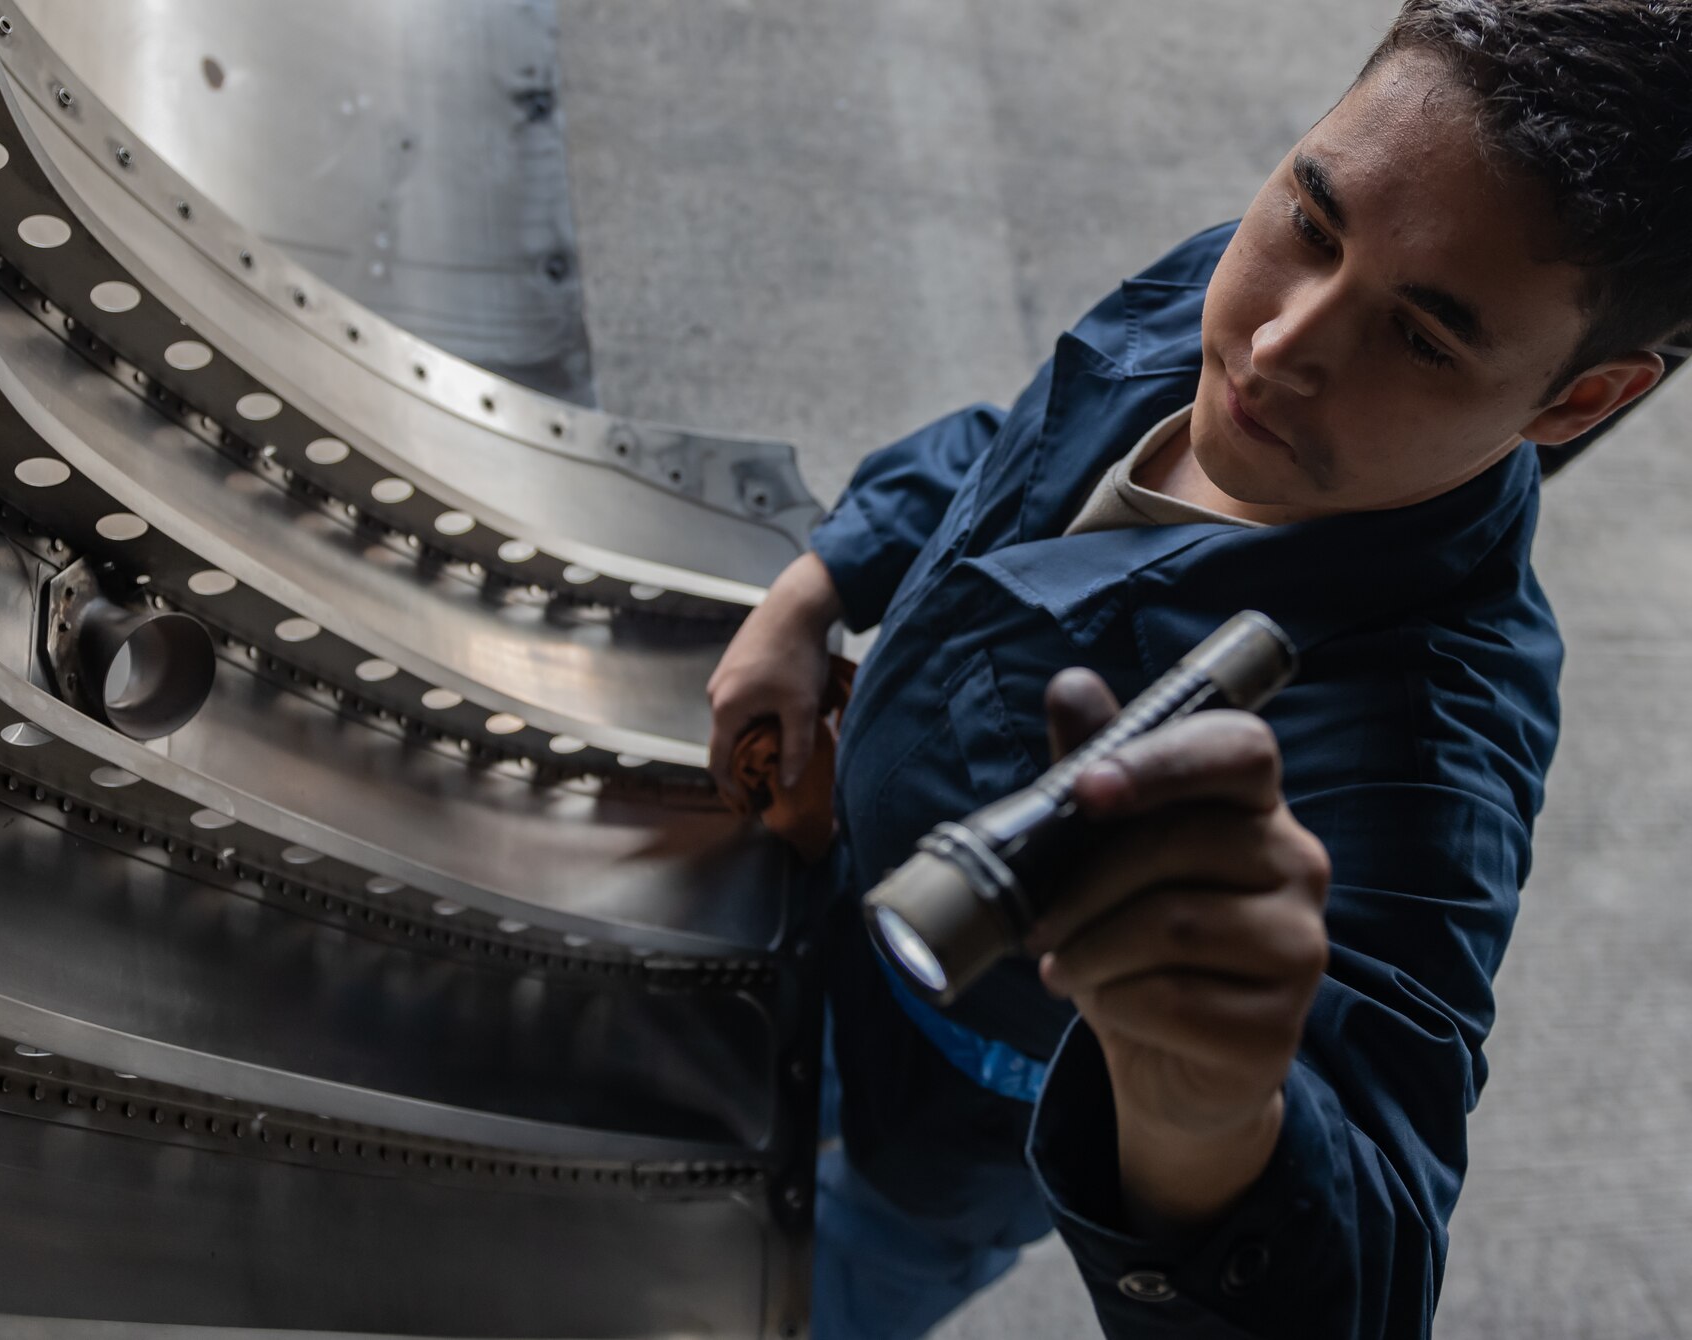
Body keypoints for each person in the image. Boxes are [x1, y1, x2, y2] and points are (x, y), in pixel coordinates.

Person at [704, 3, 1692, 1335]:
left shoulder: (1421, 749)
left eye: (1422, 337)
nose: (1284, 345)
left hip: (942, 1122)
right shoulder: (1228, 293)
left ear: (1578, 402)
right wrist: (819, 585)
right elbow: (1020, 437)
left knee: (792, 1292)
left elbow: (1363, 1277)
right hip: (803, 903)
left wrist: (1212, 1119)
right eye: (1312, 221)